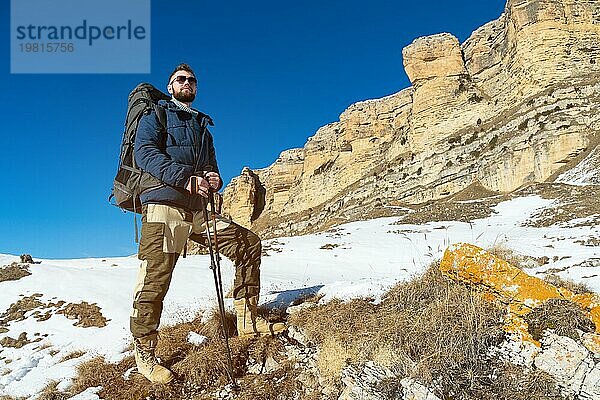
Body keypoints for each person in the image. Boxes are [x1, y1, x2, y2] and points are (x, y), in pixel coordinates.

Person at [130, 63, 285, 384]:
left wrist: (214, 178)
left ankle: (246, 318)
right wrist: (185, 178)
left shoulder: (202, 126)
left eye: (191, 80)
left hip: (197, 210)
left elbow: (211, 167)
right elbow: (144, 153)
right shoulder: (155, 114)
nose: (187, 83)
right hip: (165, 206)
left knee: (247, 243)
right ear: (170, 86)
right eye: (180, 79)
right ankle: (145, 351)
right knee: (156, 276)